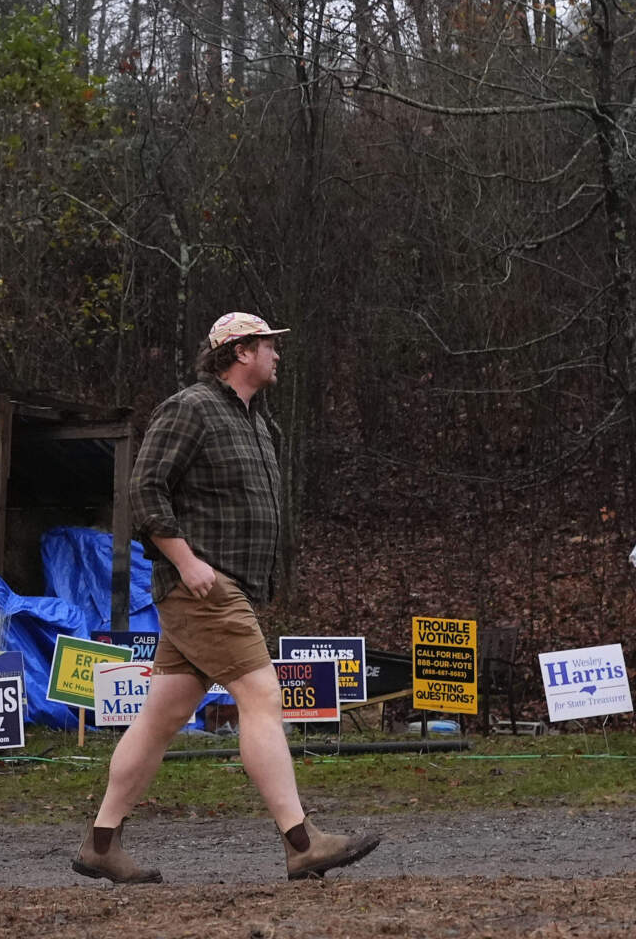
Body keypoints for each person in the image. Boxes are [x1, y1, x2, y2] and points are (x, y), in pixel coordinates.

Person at [73, 312, 380, 884]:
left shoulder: (259, 423)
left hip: (223, 586)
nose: (277, 355)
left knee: (161, 718)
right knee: (263, 695)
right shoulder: (190, 408)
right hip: (203, 587)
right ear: (240, 351)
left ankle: (100, 844)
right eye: (269, 345)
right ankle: (301, 841)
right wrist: (186, 562)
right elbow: (144, 488)